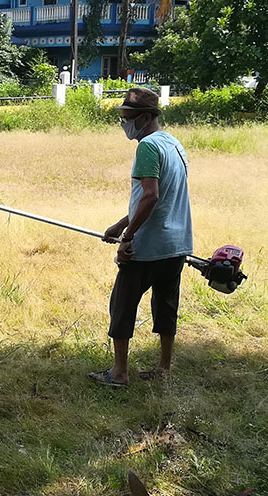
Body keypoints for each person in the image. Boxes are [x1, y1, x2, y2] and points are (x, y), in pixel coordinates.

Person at [90, 87, 193, 387]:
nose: (124, 122)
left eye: (128, 116)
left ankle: (119, 372)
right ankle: (164, 368)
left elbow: (150, 197)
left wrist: (128, 237)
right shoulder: (174, 145)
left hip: (147, 247)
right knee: (166, 306)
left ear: (146, 118)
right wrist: (120, 225)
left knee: (122, 304)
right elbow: (159, 200)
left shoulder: (147, 147)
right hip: (176, 245)